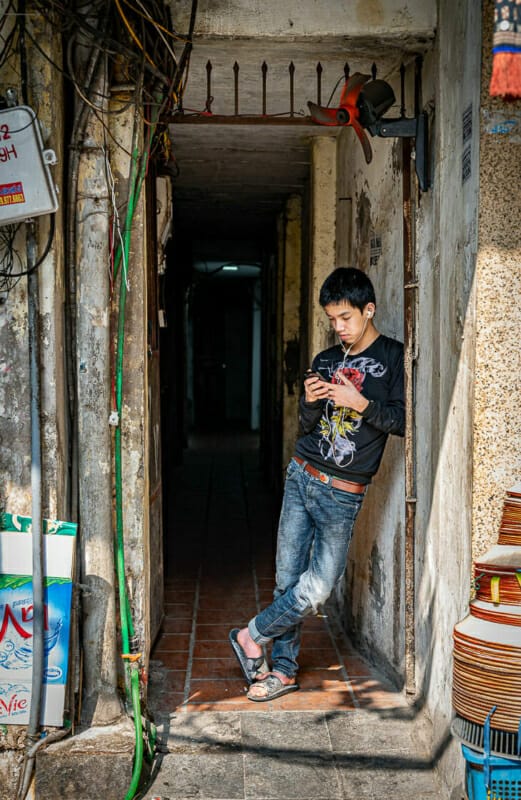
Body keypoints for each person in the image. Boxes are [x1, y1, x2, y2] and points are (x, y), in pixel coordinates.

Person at [229, 266, 405, 701]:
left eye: (345, 317)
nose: (339, 328)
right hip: (302, 477)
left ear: (369, 310)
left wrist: (358, 402)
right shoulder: (326, 361)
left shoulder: (394, 358)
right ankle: (282, 672)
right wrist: (309, 402)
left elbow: (400, 421)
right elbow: (308, 428)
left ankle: (251, 635)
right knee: (287, 581)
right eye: (332, 320)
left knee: (320, 587)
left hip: (344, 493)